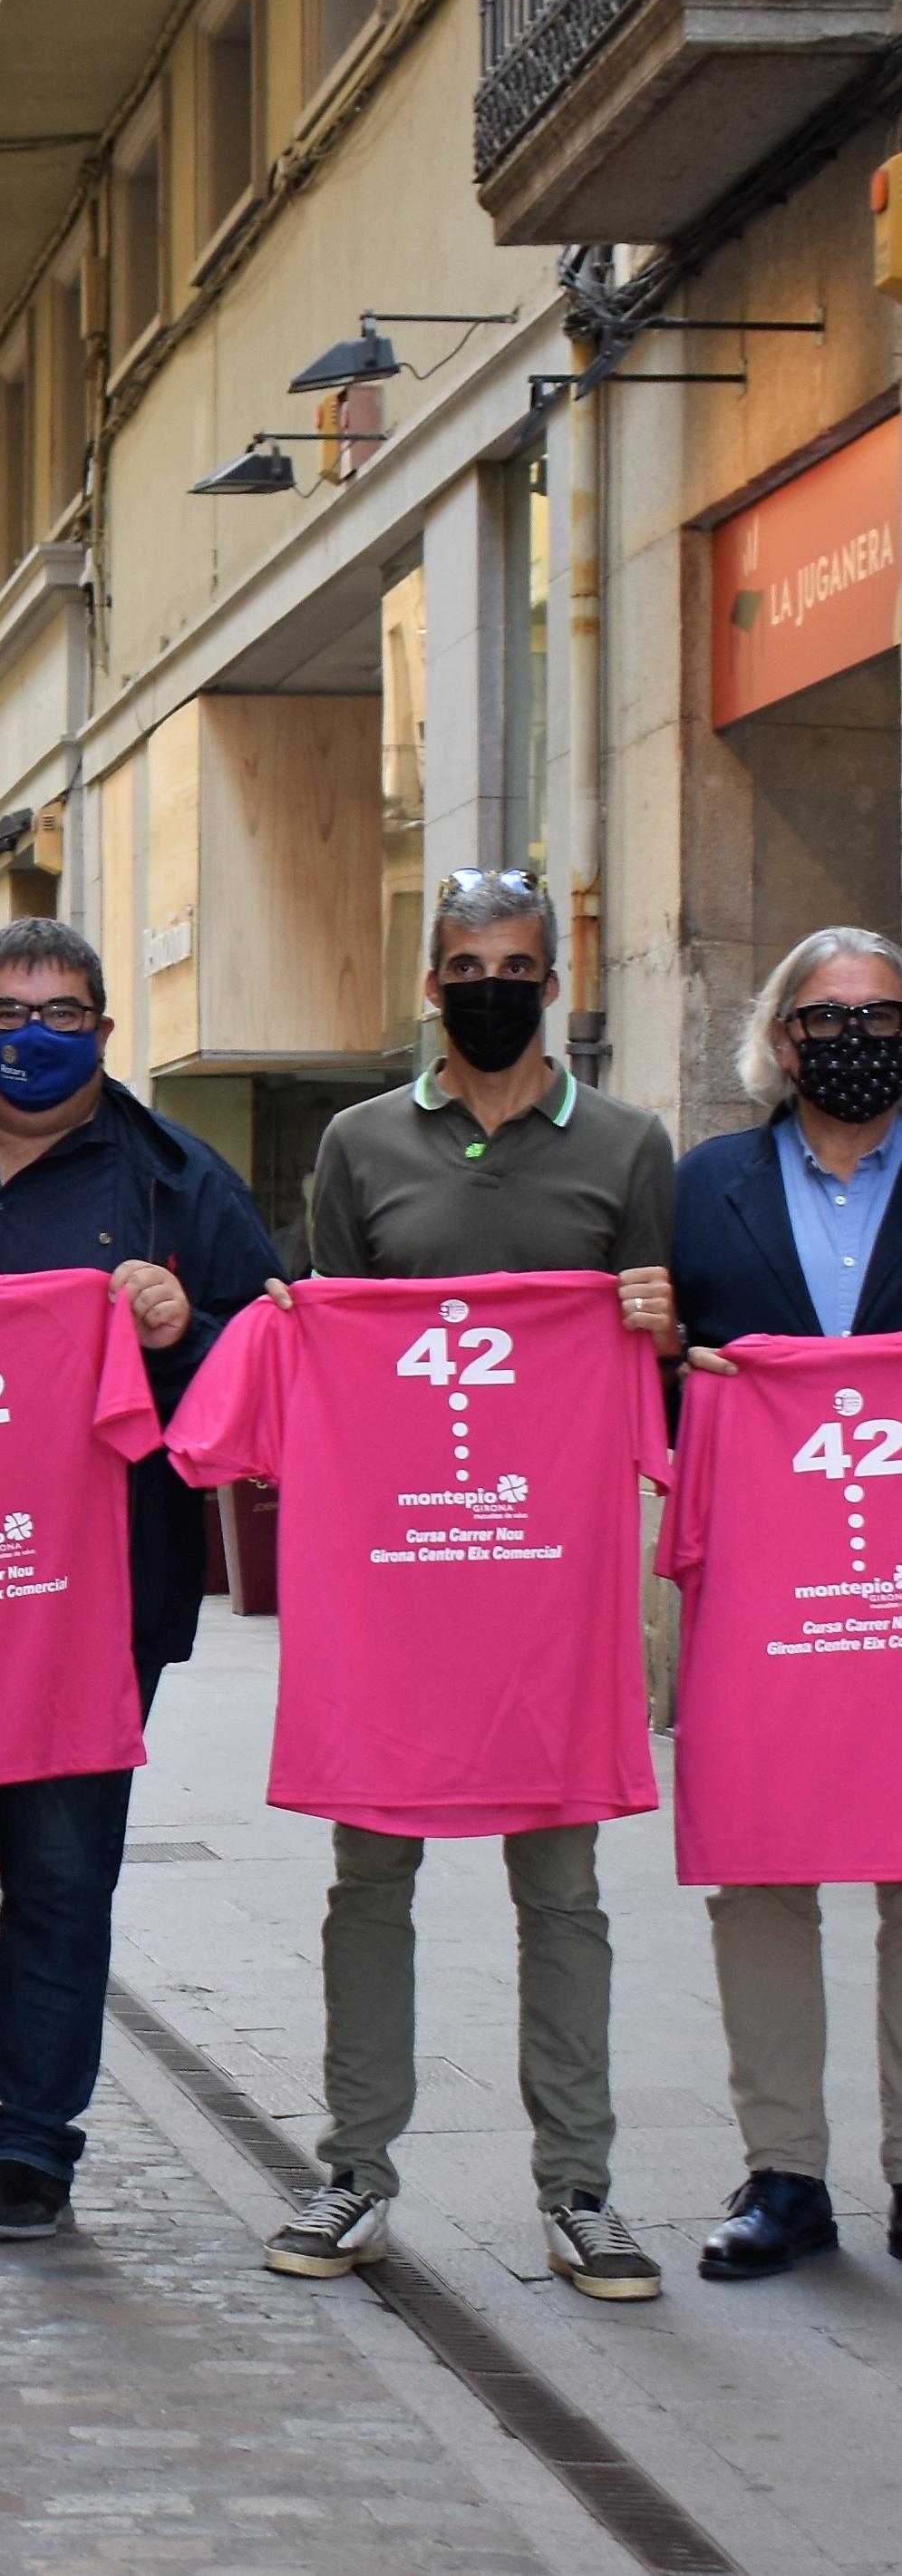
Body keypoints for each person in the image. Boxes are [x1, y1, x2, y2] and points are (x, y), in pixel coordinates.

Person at [0, 920, 278, 2241]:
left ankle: (30, 2149)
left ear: (102, 1029)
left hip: (90, 1595)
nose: (36, 1032)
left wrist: (183, 1328)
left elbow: (264, 1374)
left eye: (65, 1011)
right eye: (11, 1010)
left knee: (63, 1872)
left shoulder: (175, 1179)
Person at [265, 869, 677, 2301]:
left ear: (551, 976)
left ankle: (580, 2190)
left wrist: (658, 1322)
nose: (489, 983)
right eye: (463, 964)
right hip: (397, 1585)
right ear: (429, 986)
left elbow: (662, 1363)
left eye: (514, 961)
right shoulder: (359, 1144)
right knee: (368, 1881)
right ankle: (354, 2174)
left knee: (562, 1894)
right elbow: (338, 1352)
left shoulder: (627, 1147)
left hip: (552, 1596)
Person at [672, 927, 902, 2280]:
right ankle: (786, 2175)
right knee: (762, 1873)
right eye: (825, 1016)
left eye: (880, 1012)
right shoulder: (708, 1187)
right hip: (767, 1591)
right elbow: (650, 1370)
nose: (853, 1035)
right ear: (780, 1035)